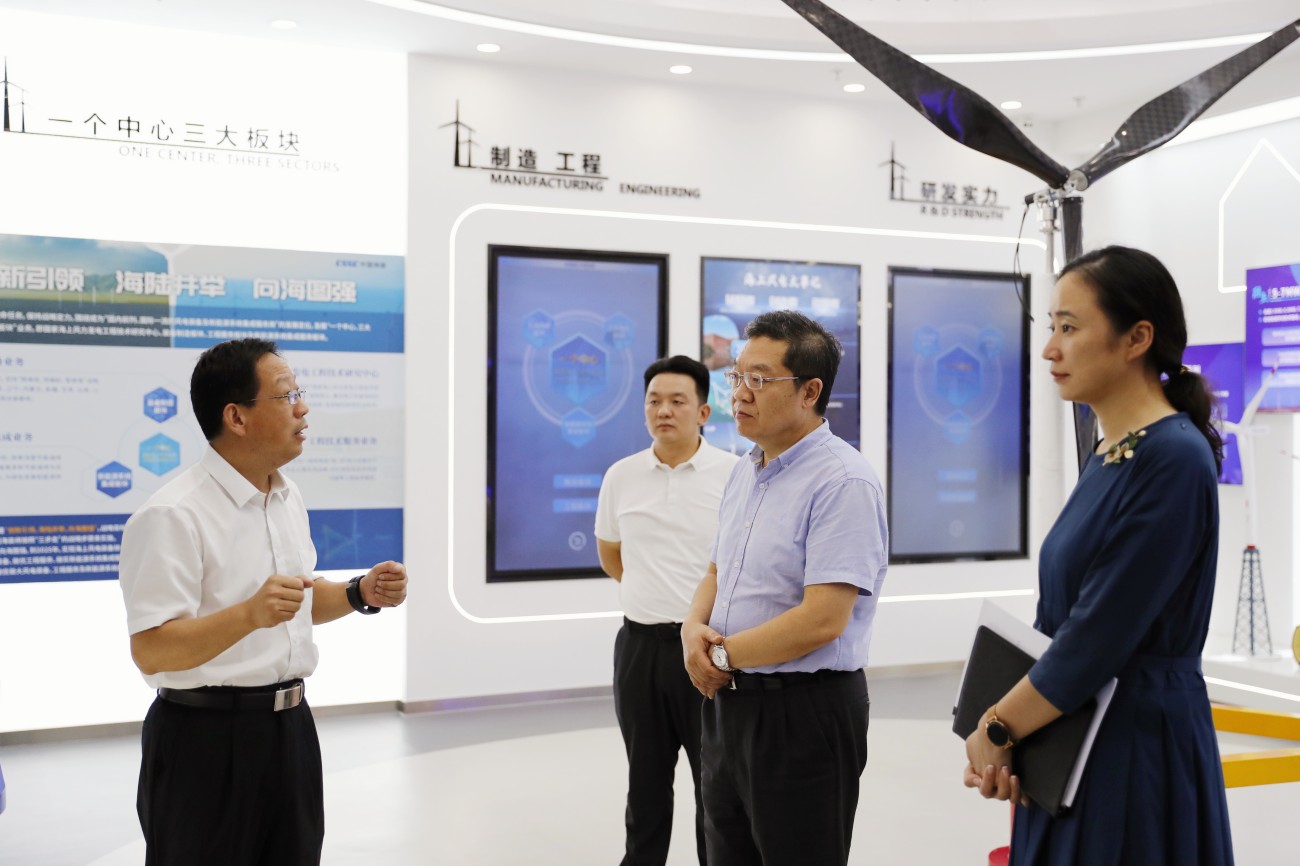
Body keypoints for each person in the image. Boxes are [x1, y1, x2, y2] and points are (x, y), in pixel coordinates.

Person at [962, 246, 1233, 865]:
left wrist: (1000, 725)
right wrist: (1010, 737)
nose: (1049, 349)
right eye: (1051, 327)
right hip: (1071, 733)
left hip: (1133, 746)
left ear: (1137, 338)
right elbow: (1064, 624)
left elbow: (1097, 635)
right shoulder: (1112, 451)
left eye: (1069, 327)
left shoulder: (1173, 458)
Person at [118, 338, 407, 866]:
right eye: (286, 394)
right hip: (203, 742)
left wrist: (358, 592)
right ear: (236, 416)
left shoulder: (287, 496)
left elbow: (295, 602)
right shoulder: (171, 515)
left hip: (291, 732)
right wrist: (248, 614)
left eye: (299, 392)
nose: (303, 407)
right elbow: (152, 650)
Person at [680, 310, 888, 866]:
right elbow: (717, 571)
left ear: (809, 391)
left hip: (803, 715)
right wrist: (691, 630)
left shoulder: (843, 481)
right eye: (737, 376)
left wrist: (719, 655)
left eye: (759, 379)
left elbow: (823, 619)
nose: (739, 393)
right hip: (729, 706)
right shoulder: (744, 471)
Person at [596, 355, 739, 866]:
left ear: (703, 412)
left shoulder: (735, 475)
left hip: (705, 648)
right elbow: (612, 557)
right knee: (645, 782)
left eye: (677, 401)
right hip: (639, 649)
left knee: (715, 784)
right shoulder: (621, 475)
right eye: (654, 401)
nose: (664, 410)